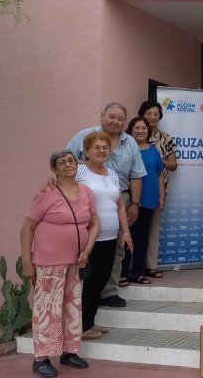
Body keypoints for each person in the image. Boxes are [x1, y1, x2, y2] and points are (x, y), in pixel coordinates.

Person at [21, 150, 98, 377]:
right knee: (47, 309)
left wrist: (87, 250)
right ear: (55, 169)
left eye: (71, 161)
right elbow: (27, 228)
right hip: (49, 261)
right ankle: (41, 358)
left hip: (77, 260)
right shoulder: (46, 192)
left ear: (77, 164)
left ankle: (69, 352)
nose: (67, 164)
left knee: (72, 308)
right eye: (61, 162)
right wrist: (27, 261)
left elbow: (94, 225)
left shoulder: (86, 192)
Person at [67, 102, 145, 308]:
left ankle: (107, 291)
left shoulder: (129, 143)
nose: (116, 121)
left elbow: (136, 176)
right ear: (102, 116)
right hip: (85, 201)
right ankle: (81, 293)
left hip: (118, 199)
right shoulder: (85, 135)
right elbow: (64, 161)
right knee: (84, 245)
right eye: (111, 116)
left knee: (117, 247)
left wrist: (135, 204)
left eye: (120, 118)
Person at [76, 132, 133, 341]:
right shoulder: (79, 172)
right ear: (87, 151)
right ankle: (80, 327)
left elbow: (119, 206)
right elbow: (62, 189)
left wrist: (126, 232)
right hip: (88, 239)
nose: (102, 151)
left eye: (105, 147)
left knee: (100, 282)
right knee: (87, 284)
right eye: (97, 147)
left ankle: (89, 323)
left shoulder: (111, 175)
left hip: (110, 237)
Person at [121, 117, 165, 285]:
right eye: (136, 128)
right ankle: (123, 273)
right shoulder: (126, 149)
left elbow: (159, 175)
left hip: (149, 199)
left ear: (148, 131)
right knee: (127, 236)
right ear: (131, 130)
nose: (140, 131)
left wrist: (161, 196)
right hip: (130, 199)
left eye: (144, 128)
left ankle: (137, 273)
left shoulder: (154, 150)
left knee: (142, 237)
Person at [138, 100, 179, 279]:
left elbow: (173, 165)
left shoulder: (166, 138)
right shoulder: (134, 136)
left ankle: (150, 266)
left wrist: (157, 161)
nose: (153, 117)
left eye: (156, 114)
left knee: (152, 229)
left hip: (158, 189)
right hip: (135, 188)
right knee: (133, 229)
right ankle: (131, 269)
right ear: (142, 115)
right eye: (149, 114)